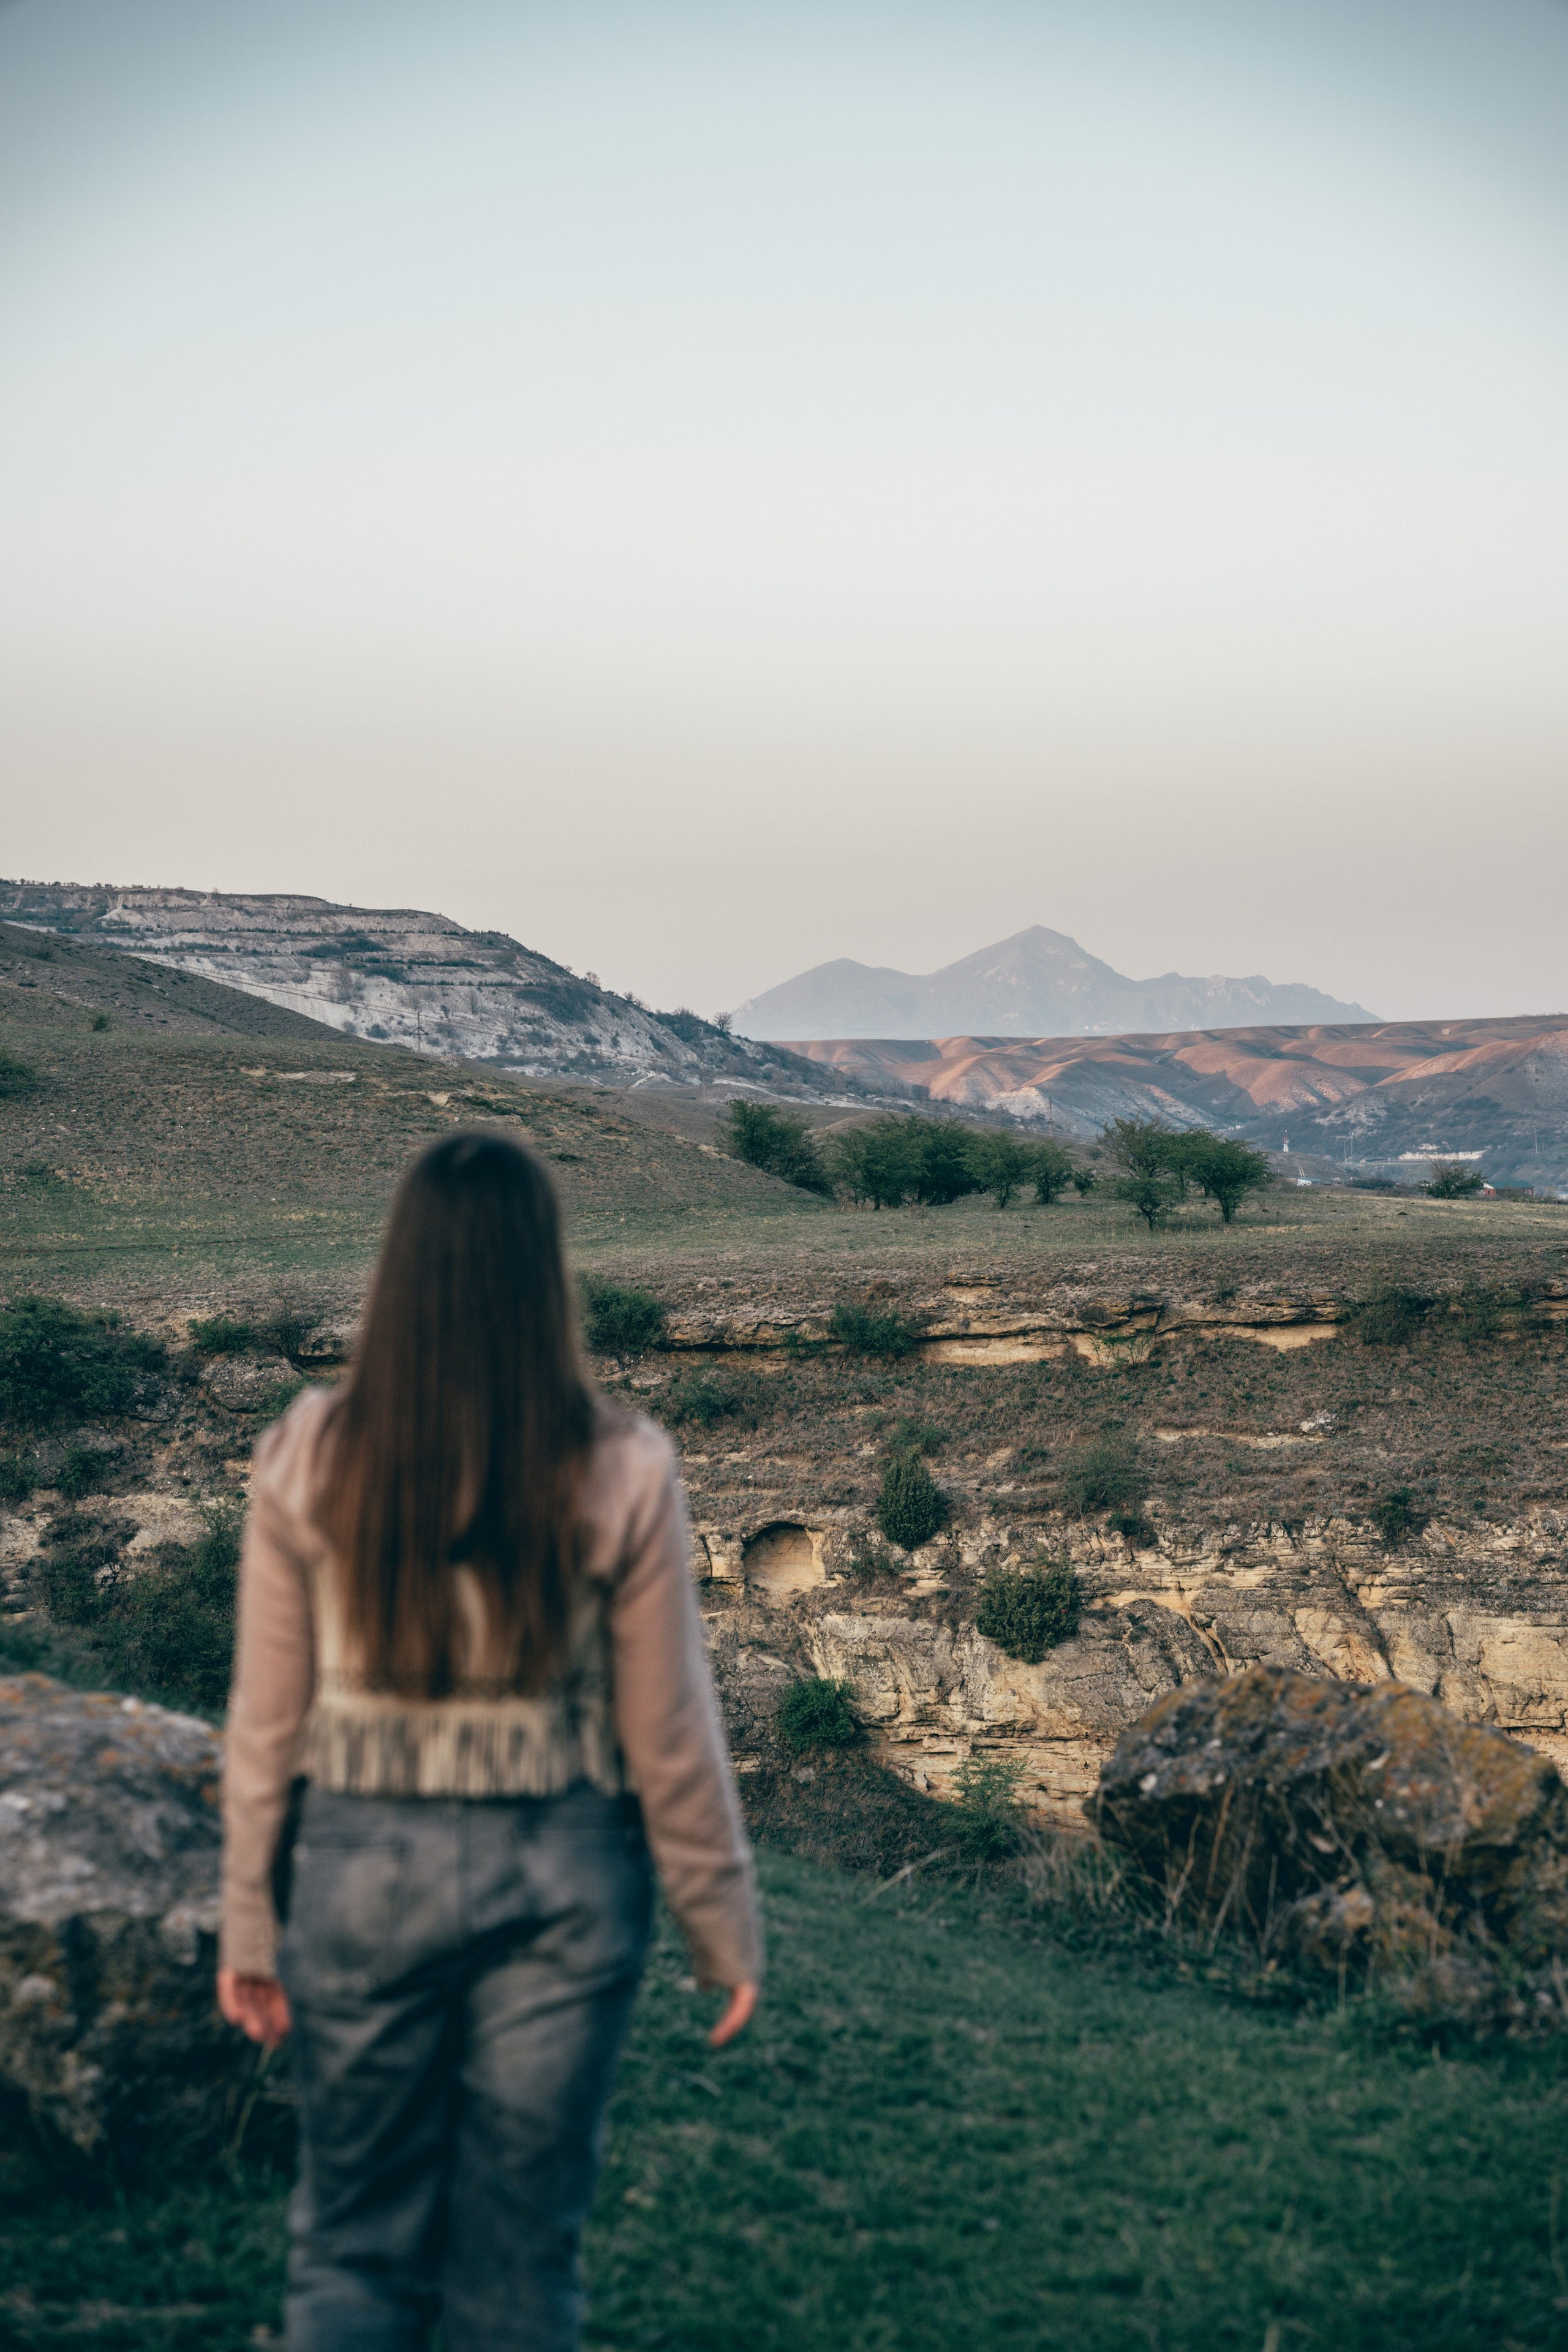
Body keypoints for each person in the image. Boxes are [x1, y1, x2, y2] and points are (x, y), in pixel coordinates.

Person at [216, 1129, 761, 2352]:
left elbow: (265, 1721)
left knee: (352, 2247)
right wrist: (719, 1922)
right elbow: (667, 1732)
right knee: (519, 2262)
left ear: (395, 1272)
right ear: (544, 1273)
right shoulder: (624, 1463)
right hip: (563, 1874)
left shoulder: (305, 1451)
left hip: (357, 1874)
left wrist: (251, 1918)